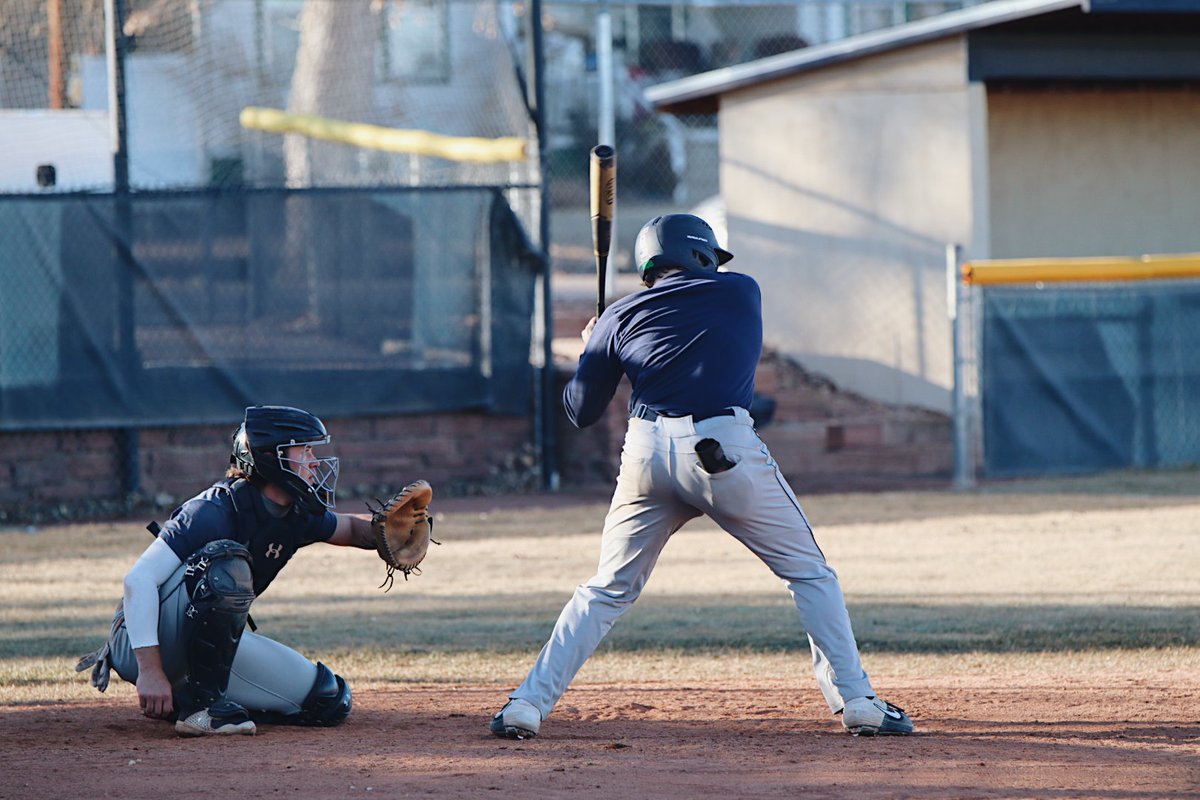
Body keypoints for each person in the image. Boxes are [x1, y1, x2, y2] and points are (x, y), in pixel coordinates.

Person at [490, 214, 913, 740]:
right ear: (699, 255)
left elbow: (581, 411)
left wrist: (593, 349)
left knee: (606, 589)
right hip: (722, 449)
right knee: (809, 573)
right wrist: (605, 337)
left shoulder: (621, 316)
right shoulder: (740, 292)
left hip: (644, 455)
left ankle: (525, 705)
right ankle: (858, 701)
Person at [78, 405, 397, 736]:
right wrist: (150, 670)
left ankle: (191, 697)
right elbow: (138, 580)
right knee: (226, 564)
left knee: (327, 698)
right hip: (140, 641)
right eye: (304, 450)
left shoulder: (296, 512)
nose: (315, 461)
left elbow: (346, 528)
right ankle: (200, 709)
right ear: (272, 458)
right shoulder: (213, 510)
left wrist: (389, 534)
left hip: (201, 646)